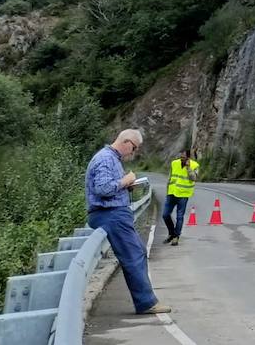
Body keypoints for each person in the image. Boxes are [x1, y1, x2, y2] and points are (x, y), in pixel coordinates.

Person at [85, 128, 170, 315]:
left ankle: (146, 301)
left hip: (112, 213)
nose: (134, 152)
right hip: (111, 214)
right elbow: (102, 188)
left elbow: (107, 187)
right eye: (134, 148)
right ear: (126, 142)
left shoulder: (110, 158)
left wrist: (126, 186)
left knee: (137, 251)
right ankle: (146, 303)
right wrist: (126, 180)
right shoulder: (106, 159)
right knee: (134, 254)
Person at [162, 147, 199, 245]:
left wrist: (188, 168)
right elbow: (170, 178)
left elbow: (194, 178)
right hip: (172, 193)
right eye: (180, 156)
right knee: (165, 215)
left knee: (179, 216)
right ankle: (171, 233)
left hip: (183, 195)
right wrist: (167, 191)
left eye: (184, 156)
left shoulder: (194, 165)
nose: (181, 158)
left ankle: (176, 237)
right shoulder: (174, 163)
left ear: (188, 157)